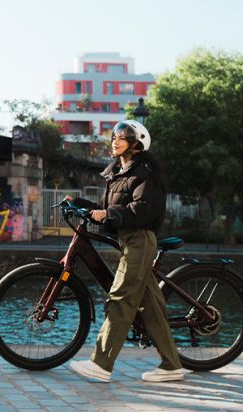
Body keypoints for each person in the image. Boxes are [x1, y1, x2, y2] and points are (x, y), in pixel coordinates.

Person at [70, 120, 187, 383]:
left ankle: (101, 363)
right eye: (114, 135)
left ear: (137, 143)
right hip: (128, 240)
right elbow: (104, 209)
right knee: (152, 307)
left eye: (123, 136)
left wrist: (110, 213)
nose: (115, 139)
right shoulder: (119, 174)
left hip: (140, 240)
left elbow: (143, 209)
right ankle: (172, 364)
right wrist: (77, 203)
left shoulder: (145, 174)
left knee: (121, 297)